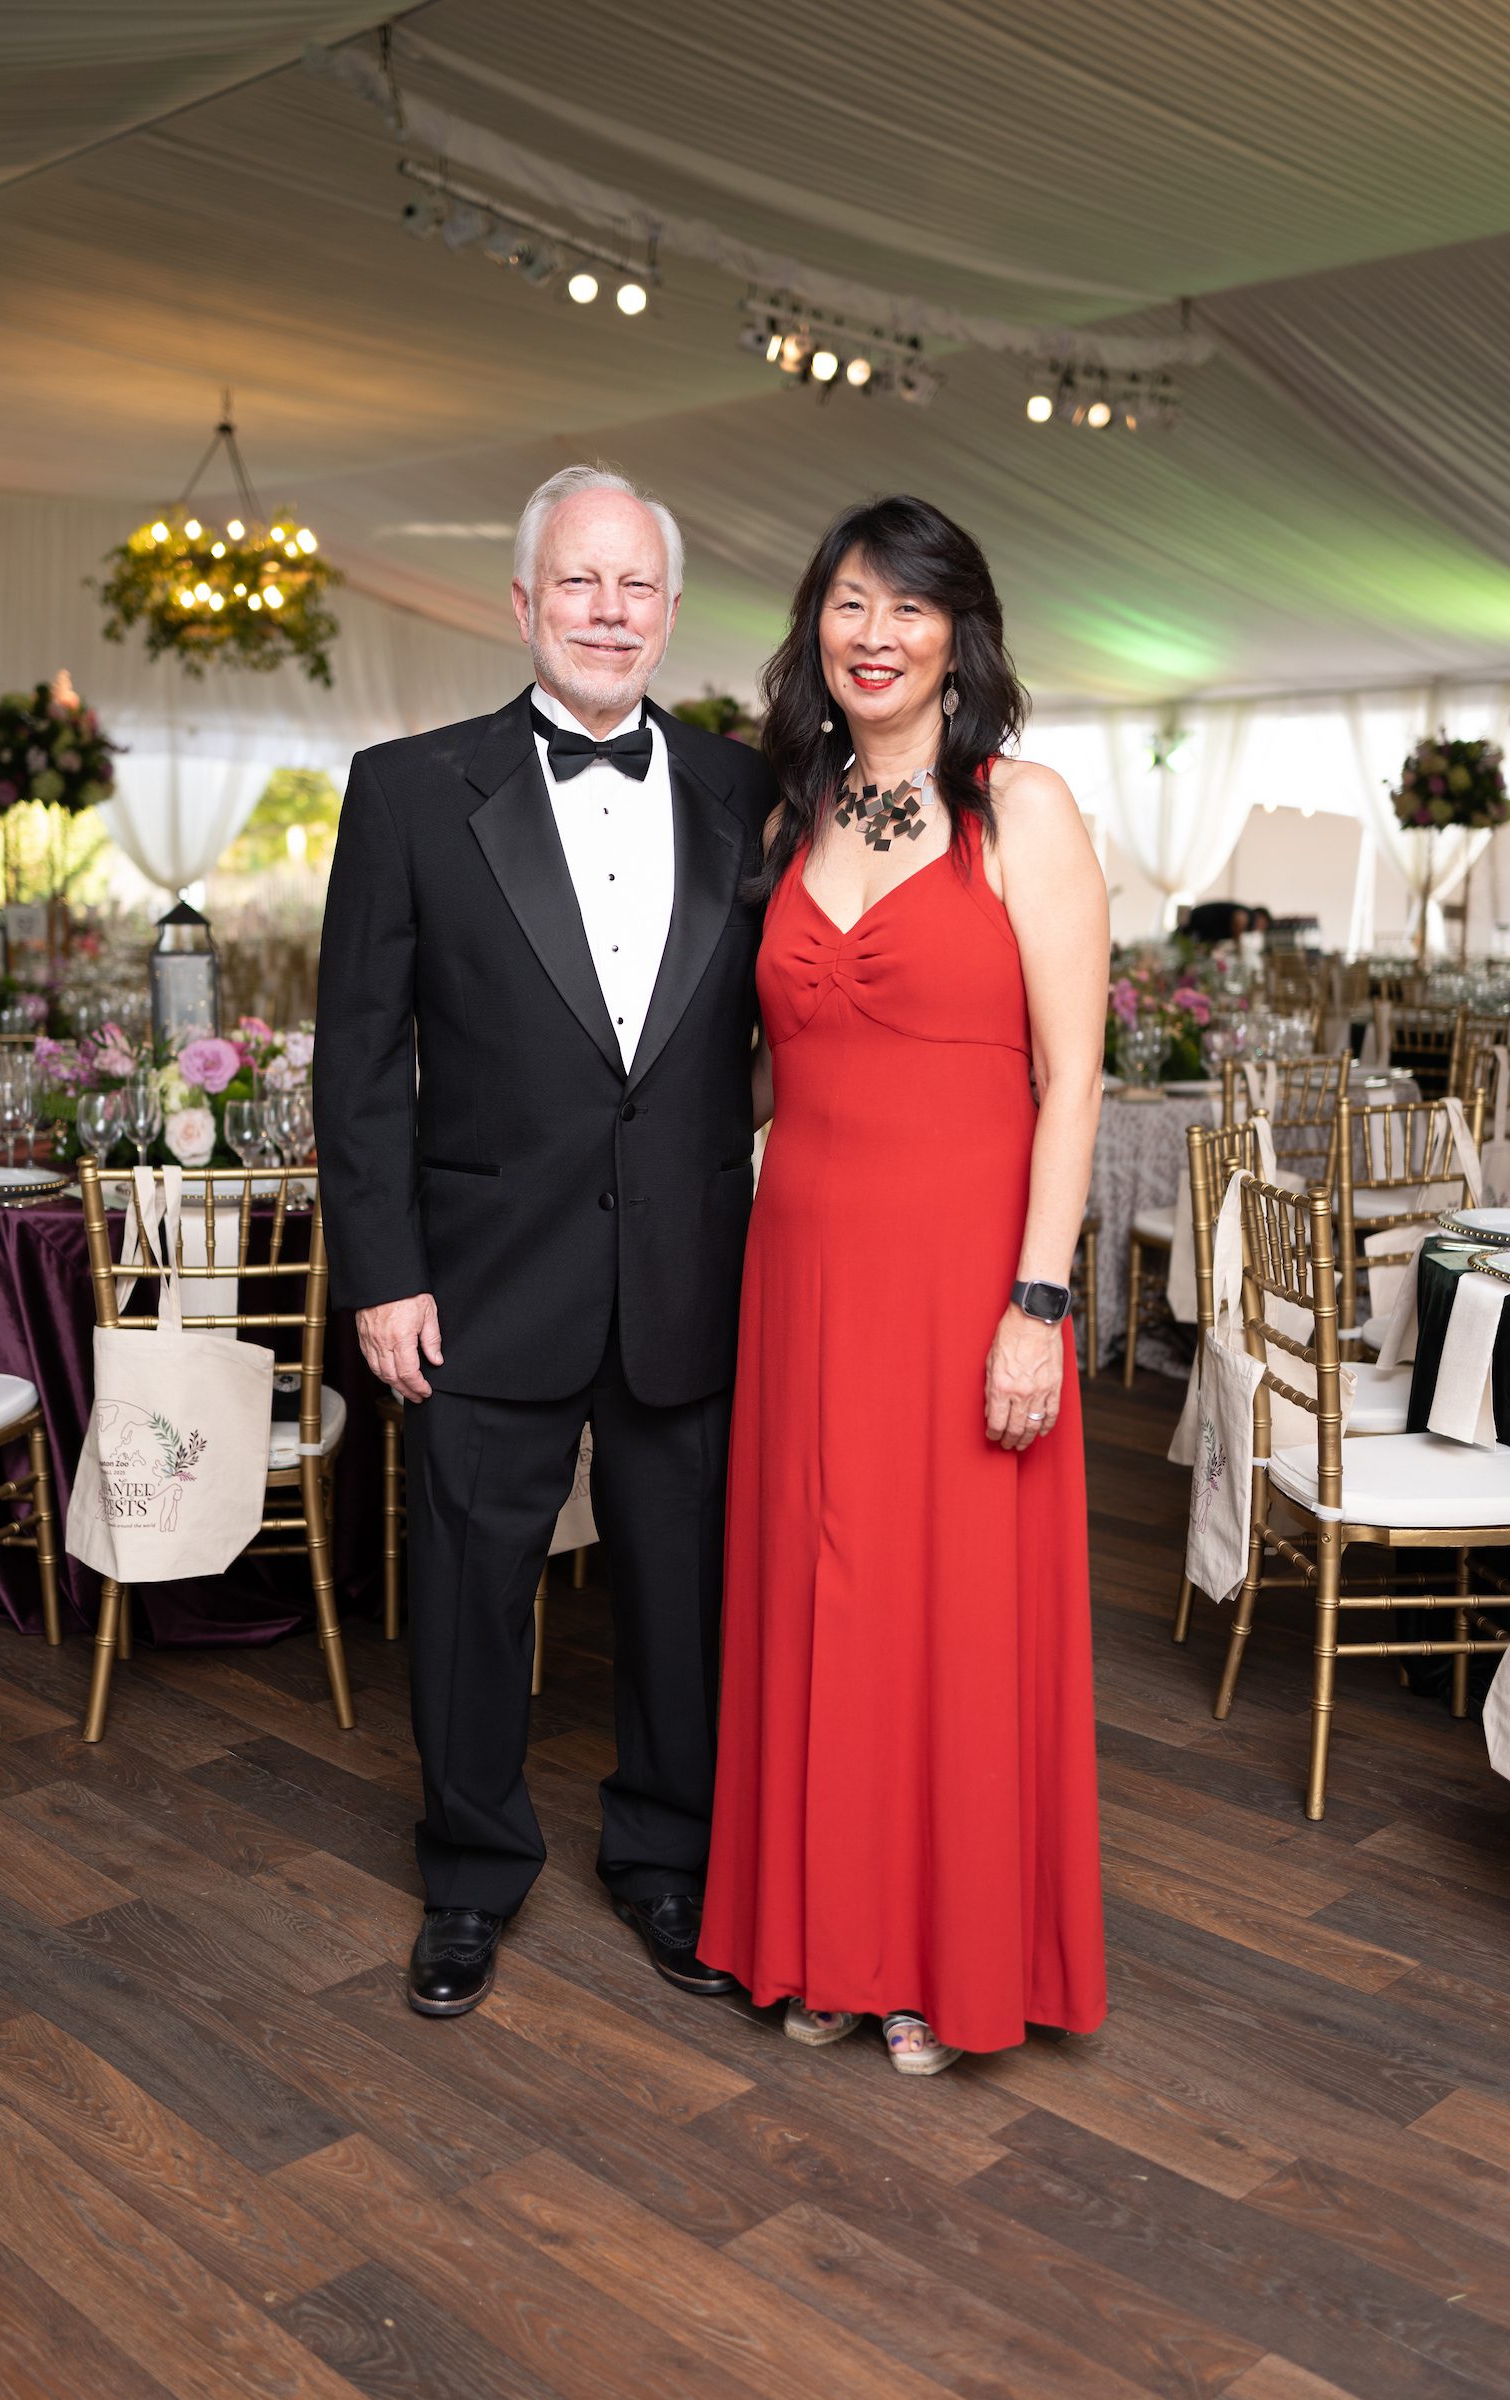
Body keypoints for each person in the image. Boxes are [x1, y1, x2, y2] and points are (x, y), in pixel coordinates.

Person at [315, 464, 775, 2017]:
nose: (607, 610)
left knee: (682, 1597)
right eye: (579, 582)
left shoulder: (747, 791)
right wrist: (381, 1270)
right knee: (465, 1594)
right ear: (522, 604)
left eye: (635, 585)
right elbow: (358, 1059)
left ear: (668, 612)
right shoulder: (405, 791)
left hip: (687, 1281)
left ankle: (667, 1858)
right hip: (479, 1278)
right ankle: (468, 1871)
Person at [698, 494, 1108, 2073]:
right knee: (820, 1602)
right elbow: (751, 1070)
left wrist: (1039, 1302)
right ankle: (823, 1938)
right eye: (849, 605)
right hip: (801, 1268)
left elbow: (1073, 1081)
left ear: (959, 636)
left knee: (950, 1616)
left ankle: (943, 1957)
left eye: (907, 609)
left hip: (962, 1276)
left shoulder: (1025, 809)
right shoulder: (787, 818)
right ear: (816, 626)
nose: (874, 636)